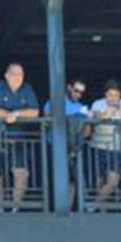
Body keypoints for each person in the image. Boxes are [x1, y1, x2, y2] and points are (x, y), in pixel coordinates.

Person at [0, 63, 41, 210]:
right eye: (14, 74)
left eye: (20, 75)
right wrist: (7, 116)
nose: (17, 77)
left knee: (21, 173)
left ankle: (15, 208)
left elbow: (35, 112)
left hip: (20, 140)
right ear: (6, 75)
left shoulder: (27, 89)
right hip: (0, 138)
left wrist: (16, 114)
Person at [87, 79, 121, 207]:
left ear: (120, 96)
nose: (112, 98)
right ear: (105, 94)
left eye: (116, 96)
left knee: (113, 181)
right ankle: (101, 211)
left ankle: (93, 206)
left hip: (117, 148)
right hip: (98, 147)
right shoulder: (98, 103)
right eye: (110, 95)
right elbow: (95, 116)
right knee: (98, 182)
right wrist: (106, 114)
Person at [44, 79, 92, 210]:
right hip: (56, 147)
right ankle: (55, 209)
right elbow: (47, 120)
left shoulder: (82, 108)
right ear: (69, 88)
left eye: (81, 93)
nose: (78, 95)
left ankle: (68, 208)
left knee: (73, 179)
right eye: (76, 91)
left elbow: (87, 133)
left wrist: (87, 121)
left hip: (75, 148)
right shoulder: (55, 102)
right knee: (58, 178)